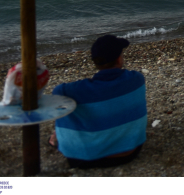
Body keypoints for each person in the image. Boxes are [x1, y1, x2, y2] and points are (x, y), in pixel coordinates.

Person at [49, 34, 147, 169]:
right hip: (130, 152)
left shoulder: (74, 90)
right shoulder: (137, 79)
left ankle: (57, 139)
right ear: (119, 59)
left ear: (95, 62)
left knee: (67, 107)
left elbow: (57, 92)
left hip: (84, 159)